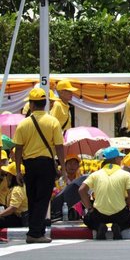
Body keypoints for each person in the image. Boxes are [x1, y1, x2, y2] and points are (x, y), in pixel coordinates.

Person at [12, 86, 66, 244]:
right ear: (45, 103)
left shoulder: (23, 124)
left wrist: (17, 170)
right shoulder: (53, 122)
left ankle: (36, 231)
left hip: (29, 164)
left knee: (33, 198)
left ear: (32, 104)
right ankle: (35, 233)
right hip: (46, 164)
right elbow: (59, 146)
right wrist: (61, 166)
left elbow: (18, 149)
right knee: (43, 199)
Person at [79, 147, 130, 240]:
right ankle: (118, 227)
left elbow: (81, 190)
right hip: (119, 214)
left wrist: (90, 208)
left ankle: (99, 227)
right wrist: (128, 207)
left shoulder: (95, 174)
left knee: (87, 219)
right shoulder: (126, 174)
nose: (121, 160)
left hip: (99, 214)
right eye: (120, 157)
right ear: (115, 159)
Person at [51, 154, 86, 221]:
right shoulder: (59, 182)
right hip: (62, 215)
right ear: (65, 166)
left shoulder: (81, 181)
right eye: (69, 163)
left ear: (78, 166)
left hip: (79, 215)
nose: (72, 166)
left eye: (75, 164)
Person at [0, 163, 26, 227]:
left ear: (12, 176)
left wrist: (0, 214)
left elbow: (12, 208)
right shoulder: (22, 186)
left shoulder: (17, 189)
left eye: (7, 174)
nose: (6, 177)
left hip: (21, 219)